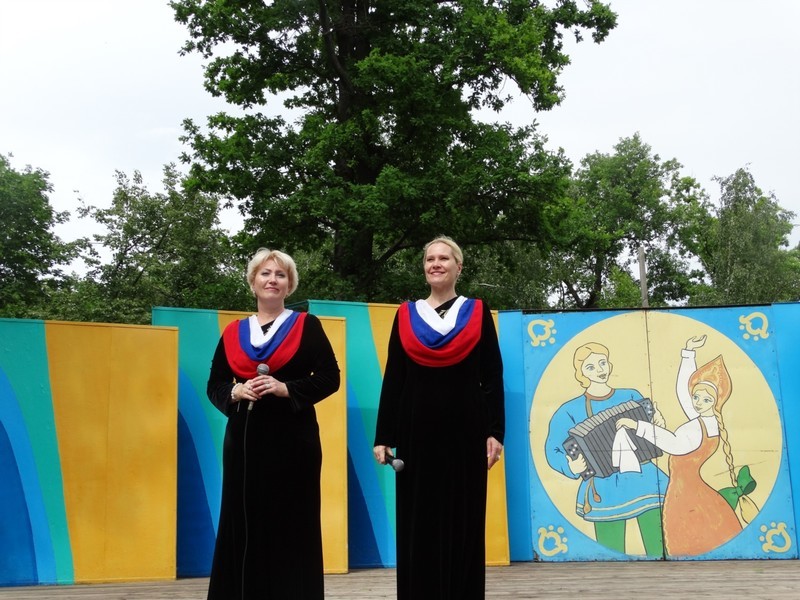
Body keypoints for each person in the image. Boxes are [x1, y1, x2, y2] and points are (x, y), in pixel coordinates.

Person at [373, 235, 505, 600]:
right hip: (416, 435)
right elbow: (395, 377)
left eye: (444, 258)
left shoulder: (477, 312)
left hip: (466, 432)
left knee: (464, 521)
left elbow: (492, 375)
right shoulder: (406, 315)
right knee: (419, 522)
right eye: (430, 259)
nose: (436, 264)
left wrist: (495, 431)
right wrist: (383, 435)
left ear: (458, 267)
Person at [205, 248, 340, 599]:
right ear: (253, 282)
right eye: (265, 273)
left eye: (281, 275)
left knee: (291, 525)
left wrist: (286, 388)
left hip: (293, 443)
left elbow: (330, 378)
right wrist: (235, 392)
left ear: (289, 285)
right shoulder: (233, 332)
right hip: (244, 442)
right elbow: (215, 384)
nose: (272, 280)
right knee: (242, 522)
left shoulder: (307, 325)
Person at [616, 335, 757, 556]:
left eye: (706, 400)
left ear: (715, 402)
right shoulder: (711, 421)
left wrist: (637, 425)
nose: (698, 403)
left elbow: (673, 444)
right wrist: (689, 353)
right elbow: (684, 392)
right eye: (697, 398)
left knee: (686, 530)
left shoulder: (696, 429)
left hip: (684, 492)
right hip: (693, 488)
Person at [544, 342, 666, 556]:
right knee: (610, 550)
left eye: (602, 363)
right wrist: (571, 466)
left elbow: (651, 426)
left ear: (609, 364)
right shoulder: (569, 410)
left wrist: (658, 425)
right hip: (603, 488)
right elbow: (552, 449)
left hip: (643, 478)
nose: (599, 370)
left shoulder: (631, 396)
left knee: (656, 542)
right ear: (581, 373)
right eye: (590, 367)